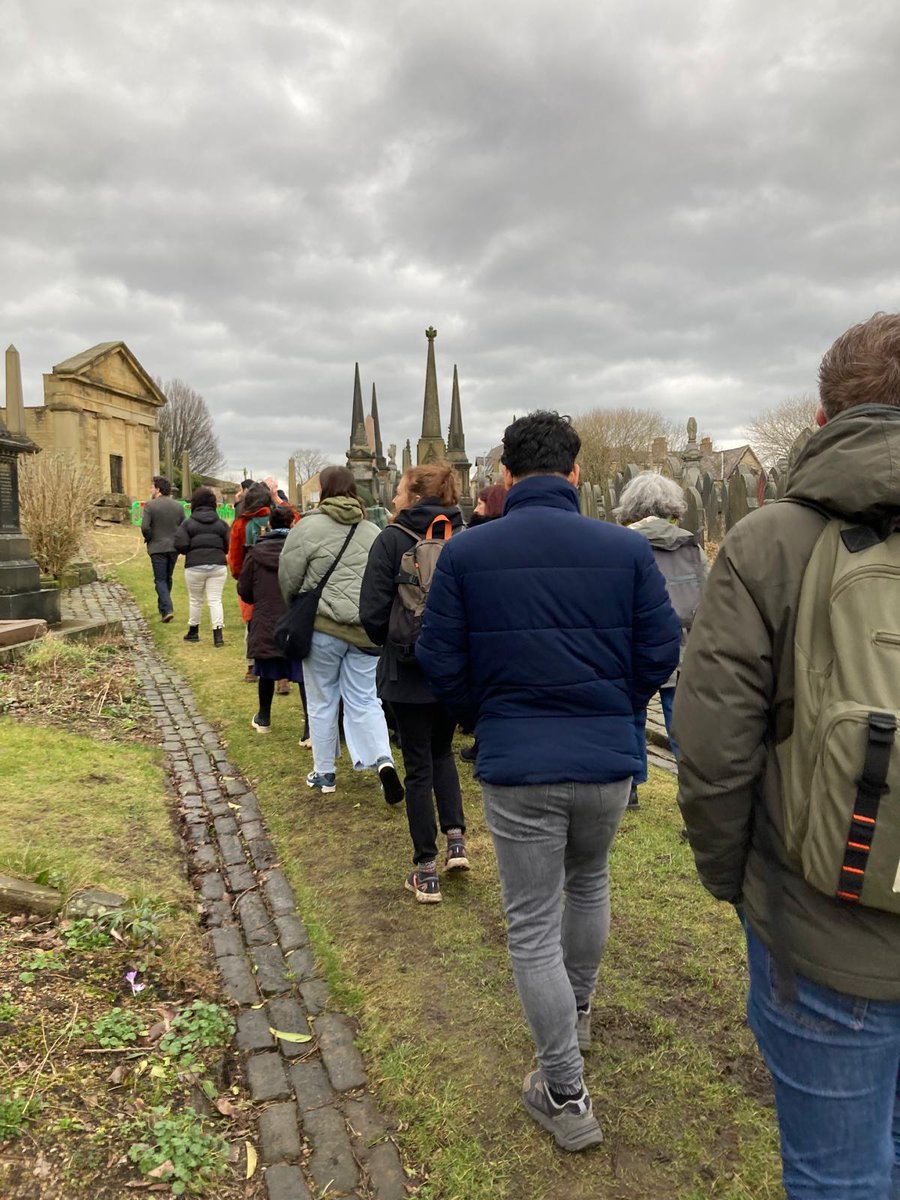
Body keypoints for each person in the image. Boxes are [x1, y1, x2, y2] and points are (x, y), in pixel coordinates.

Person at [674, 313, 900, 1200]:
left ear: (822, 417)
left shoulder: (772, 541)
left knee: (838, 1176)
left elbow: (714, 749)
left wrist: (738, 883)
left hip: (819, 924)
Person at [416, 411, 680, 1151]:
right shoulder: (625, 549)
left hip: (520, 762)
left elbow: (440, 657)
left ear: (505, 474)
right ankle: (579, 1014)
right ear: (575, 473)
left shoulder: (468, 553)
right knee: (589, 883)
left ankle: (564, 1090)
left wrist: (482, 716)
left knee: (532, 922)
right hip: (603, 759)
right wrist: (618, 705)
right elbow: (662, 647)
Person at [360, 462, 467, 903]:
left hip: (405, 670)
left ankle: (425, 870)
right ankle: (456, 842)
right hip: (452, 669)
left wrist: (394, 639)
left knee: (418, 766)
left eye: (401, 490)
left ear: (416, 496)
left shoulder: (391, 539)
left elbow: (371, 613)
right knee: (443, 752)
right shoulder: (464, 537)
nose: (395, 497)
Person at [279, 465, 402, 802]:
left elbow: (289, 577)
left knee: (322, 701)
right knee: (366, 700)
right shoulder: (372, 531)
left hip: (323, 627)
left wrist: (297, 607)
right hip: (364, 631)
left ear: (323, 490)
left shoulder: (306, 527)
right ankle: (384, 760)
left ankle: (324, 773)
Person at [615, 472, 708, 808]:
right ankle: (693, 794)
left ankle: (631, 788)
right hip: (681, 643)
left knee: (632, 715)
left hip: (635, 643)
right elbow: (707, 595)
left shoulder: (620, 543)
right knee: (681, 722)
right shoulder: (691, 545)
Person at [237, 504, 309, 739]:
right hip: (295, 617)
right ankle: (309, 728)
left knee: (266, 669)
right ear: (292, 523)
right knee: (302, 674)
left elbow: (244, 589)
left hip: (267, 617)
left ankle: (264, 716)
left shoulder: (256, 553)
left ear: (269, 524)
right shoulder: (301, 550)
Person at [173, 487, 230, 645]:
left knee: (195, 600)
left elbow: (180, 544)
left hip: (195, 565)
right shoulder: (222, 525)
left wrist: (190, 551)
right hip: (218, 565)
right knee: (215, 600)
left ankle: (193, 632)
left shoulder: (187, 524)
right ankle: (218, 636)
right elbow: (228, 545)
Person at [229, 480, 273, 682]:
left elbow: (235, 558)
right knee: (278, 619)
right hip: (278, 578)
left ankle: (252, 667)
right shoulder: (277, 517)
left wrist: (240, 577)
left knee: (252, 623)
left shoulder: (241, 523)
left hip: (252, 579)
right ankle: (281, 674)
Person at [140, 475, 185, 622]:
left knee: (160, 580)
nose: (150, 490)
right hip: (173, 547)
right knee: (167, 578)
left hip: (157, 547)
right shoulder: (178, 506)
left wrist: (149, 537)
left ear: (158, 489)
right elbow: (183, 526)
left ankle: (167, 608)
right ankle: (163, 609)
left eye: (152, 487)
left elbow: (145, 527)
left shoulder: (150, 505)